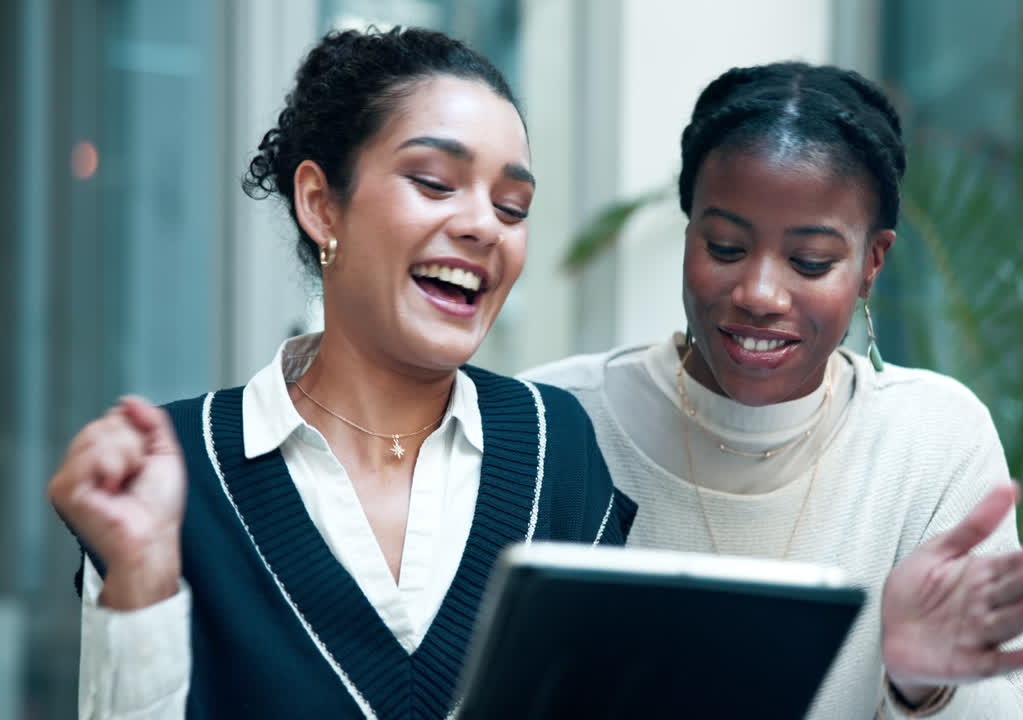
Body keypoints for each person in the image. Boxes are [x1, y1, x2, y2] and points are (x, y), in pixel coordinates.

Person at [48, 27, 635, 720]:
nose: (485, 225)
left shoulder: (554, 447)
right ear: (322, 206)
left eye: (513, 207)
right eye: (434, 183)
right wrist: (142, 576)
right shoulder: (177, 476)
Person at [524, 62, 1023, 719]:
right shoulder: (554, 419)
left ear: (872, 263)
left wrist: (928, 688)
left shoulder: (933, 440)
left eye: (811, 261)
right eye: (724, 247)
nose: (758, 294)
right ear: (689, 228)